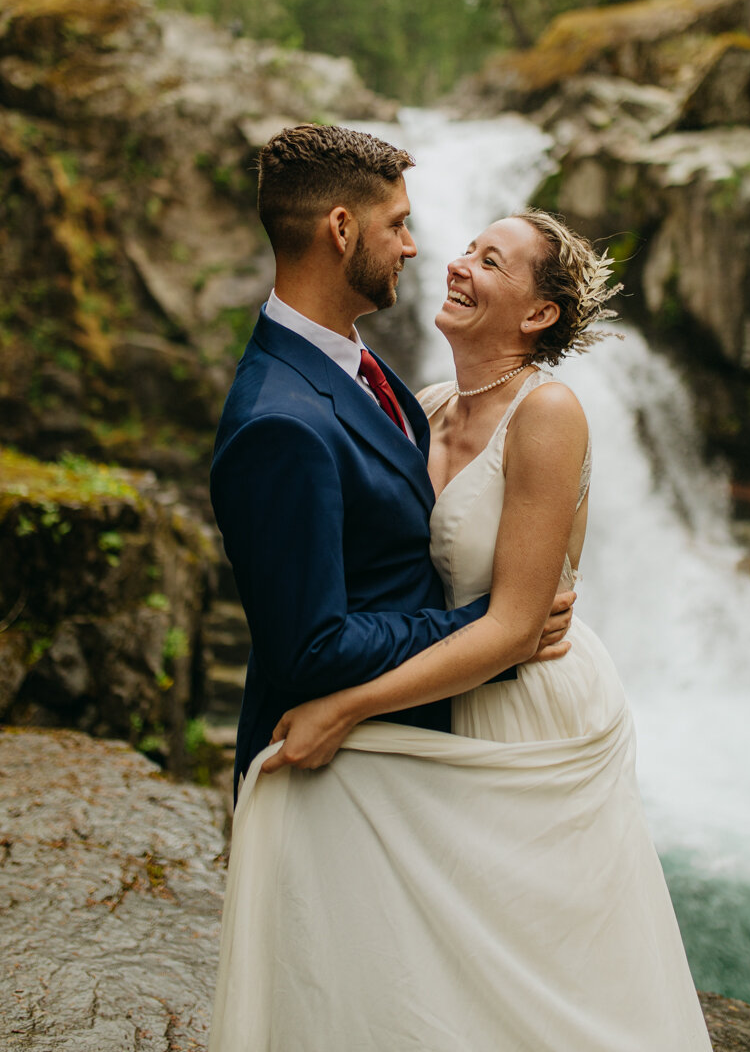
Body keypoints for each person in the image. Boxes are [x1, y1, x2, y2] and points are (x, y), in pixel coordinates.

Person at [208, 200, 714, 1050]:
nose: (455, 263)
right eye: (467, 249)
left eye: (490, 261)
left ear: (539, 312)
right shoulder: (425, 405)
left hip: (522, 696)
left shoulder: (549, 413)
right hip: (444, 680)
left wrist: (345, 706)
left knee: (534, 963)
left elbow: (517, 628)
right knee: (446, 961)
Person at [209, 124, 573, 803]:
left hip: (409, 751)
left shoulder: (364, 370)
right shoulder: (279, 421)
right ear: (341, 229)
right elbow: (308, 649)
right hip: (334, 775)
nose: (414, 247)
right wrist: (496, 630)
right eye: (399, 225)